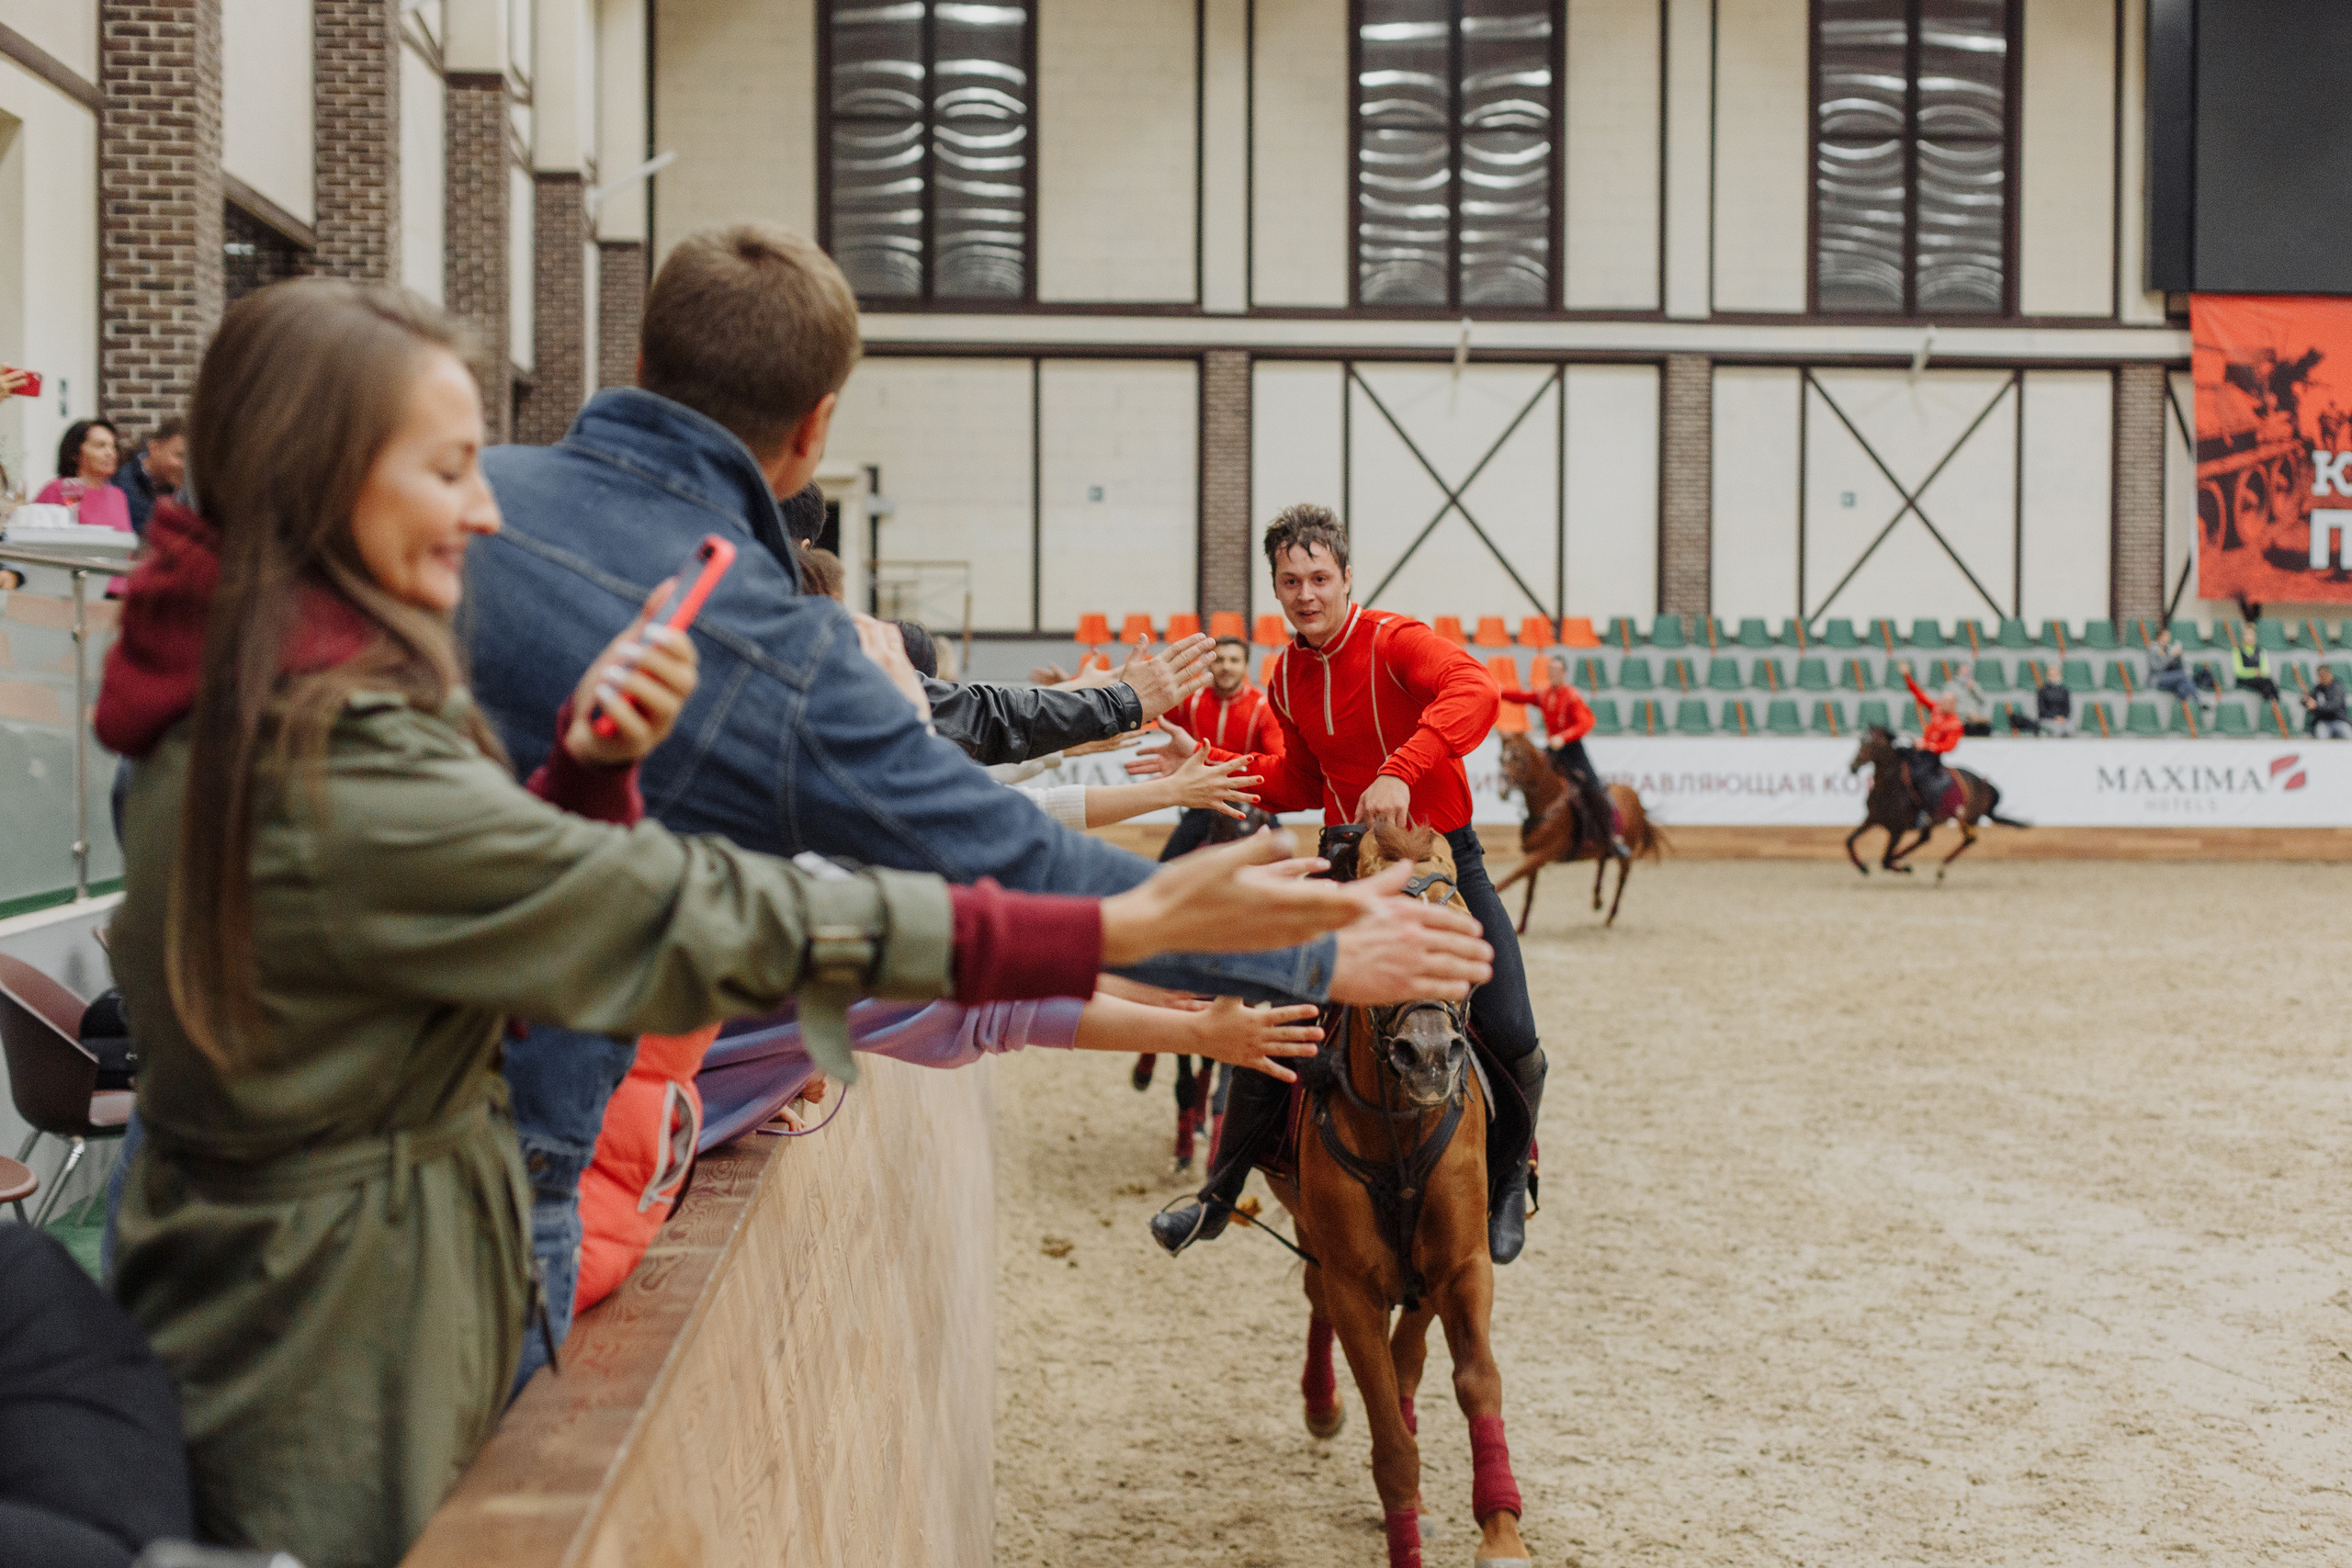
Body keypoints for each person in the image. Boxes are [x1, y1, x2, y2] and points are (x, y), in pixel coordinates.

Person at [96, 279, 1385, 1565]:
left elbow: (498, 896)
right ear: (332, 481)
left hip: (304, 1263)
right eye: (450, 468)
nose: (487, 507)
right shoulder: (329, 758)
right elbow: (703, 915)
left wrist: (592, 779)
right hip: (338, 1324)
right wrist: (1118, 925)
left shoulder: (269, 677)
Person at [463, 223, 1495, 1375]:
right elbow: (995, 852)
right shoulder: (775, 651)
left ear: (641, 366)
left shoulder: (464, 503)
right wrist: (1304, 961)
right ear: (813, 434)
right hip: (521, 1166)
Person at [1136, 504, 1549, 1265]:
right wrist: (1211, 768)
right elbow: (1295, 775)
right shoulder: (1285, 674)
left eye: (1320, 577)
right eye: (1290, 580)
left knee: (1514, 1027)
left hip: (1438, 859)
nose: (1306, 593)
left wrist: (1402, 768)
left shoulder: (1396, 642)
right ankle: (1218, 1194)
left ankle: (1507, 1183)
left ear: (1347, 577)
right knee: (1276, 1017)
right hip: (1341, 862)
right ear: (1275, 586)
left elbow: (1478, 691)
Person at [1154, 634, 1283, 861]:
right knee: (1165, 865)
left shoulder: (1263, 708)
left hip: (1249, 798)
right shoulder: (1190, 700)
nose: (1226, 666)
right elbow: (1150, 712)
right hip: (1203, 797)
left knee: (1284, 859)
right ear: (1209, 664)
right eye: (1219, 660)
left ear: (1245, 665)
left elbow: (1278, 763)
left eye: (1234, 660)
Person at [1498, 655, 1624, 859]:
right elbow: (1522, 697)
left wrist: (1564, 737)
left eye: (1557, 670)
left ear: (1564, 673)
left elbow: (1587, 722)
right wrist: (1500, 692)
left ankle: (1613, 836)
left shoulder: (1572, 696)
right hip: (1553, 750)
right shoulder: (1545, 695)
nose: (1553, 674)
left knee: (1595, 789)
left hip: (1572, 750)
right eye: (1551, 670)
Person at [36, 418, 133, 536]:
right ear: (75, 453)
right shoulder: (58, 490)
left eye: (113, 447)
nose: (110, 453)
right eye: (100, 446)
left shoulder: (118, 495)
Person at [1897, 663, 1962, 824]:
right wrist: (1907, 676)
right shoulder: (1937, 709)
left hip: (1932, 758)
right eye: (1942, 700)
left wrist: (1928, 745)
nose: (1941, 703)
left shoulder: (1955, 723)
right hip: (1920, 750)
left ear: (1953, 704)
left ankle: (1923, 812)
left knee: (1919, 776)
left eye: (1945, 701)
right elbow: (1920, 695)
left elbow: (1949, 747)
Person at [110, 416, 188, 535]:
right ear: (155, 448)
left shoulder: (185, 492)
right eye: (180, 455)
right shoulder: (119, 485)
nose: (184, 465)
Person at [2146, 630, 2207, 722]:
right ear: (2160, 637)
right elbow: (2156, 667)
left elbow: (2180, 667)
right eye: (2166, 636)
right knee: (2183, 676)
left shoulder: (2169, 648)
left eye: (2169, 636)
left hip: (2171, 678)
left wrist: (2178, 656)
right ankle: (2197, 700)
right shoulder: (2153, 649)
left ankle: (2179, 714)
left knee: (2183, 686)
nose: (2168, 638)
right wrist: (2170, 656)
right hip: (2158, 679)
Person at [2233, 626, 2281, 705]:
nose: (2249, 637)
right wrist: (2254, 672)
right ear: (2243, 637)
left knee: (2270, 683)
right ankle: (2271, 706)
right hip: (2244, 680)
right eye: (2246, 635)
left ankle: (2274, 705)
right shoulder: (2237, 651)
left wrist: (2259, 673)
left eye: (2251, 635)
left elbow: (2266, 671)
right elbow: (2238, 672)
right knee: (2267, 684)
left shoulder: (2261, 651)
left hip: (2259, 679)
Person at [2305, 663, 2350, 738]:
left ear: (2329, 674)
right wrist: (2305, 701)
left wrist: (2316, 706)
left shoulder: (2337, 687)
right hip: (2323, 722)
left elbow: (2333, 706)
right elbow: (2309, 701)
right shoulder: (2317, 689)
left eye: (2323, 675)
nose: (2322, 678)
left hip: (2339, 720)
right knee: (2321, 735)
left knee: (2348, 734)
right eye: (2320, 675)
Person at [2030, 660, 2073, 736]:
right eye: (2051, 674)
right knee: (2056, 729)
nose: (2053, 676)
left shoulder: (2064, 690)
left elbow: (2067, 708)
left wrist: (2062, 717)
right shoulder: (2042, 691)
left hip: (2062, 719)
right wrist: (2055, 717)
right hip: (2047, 719)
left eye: (2055, 674)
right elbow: (2042, 709)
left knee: (2069, 728)